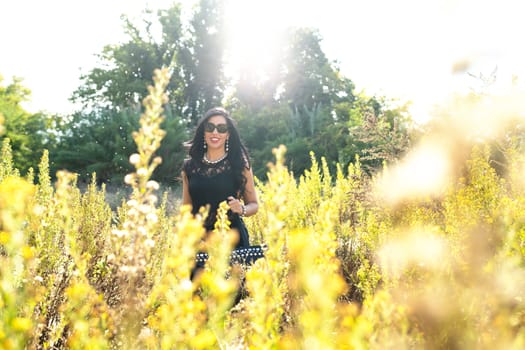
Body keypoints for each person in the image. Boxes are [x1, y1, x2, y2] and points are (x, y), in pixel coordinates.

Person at [181, 107, 259, 255]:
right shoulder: (189, 167)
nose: (215, 132)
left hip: (232, 243)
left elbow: (254, 205)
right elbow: (186, 210)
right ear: (204, 132)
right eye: (210, 127)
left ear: (228, 134)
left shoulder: (240, 165)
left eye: (221, 128)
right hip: (199, 244)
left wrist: (241, 209)